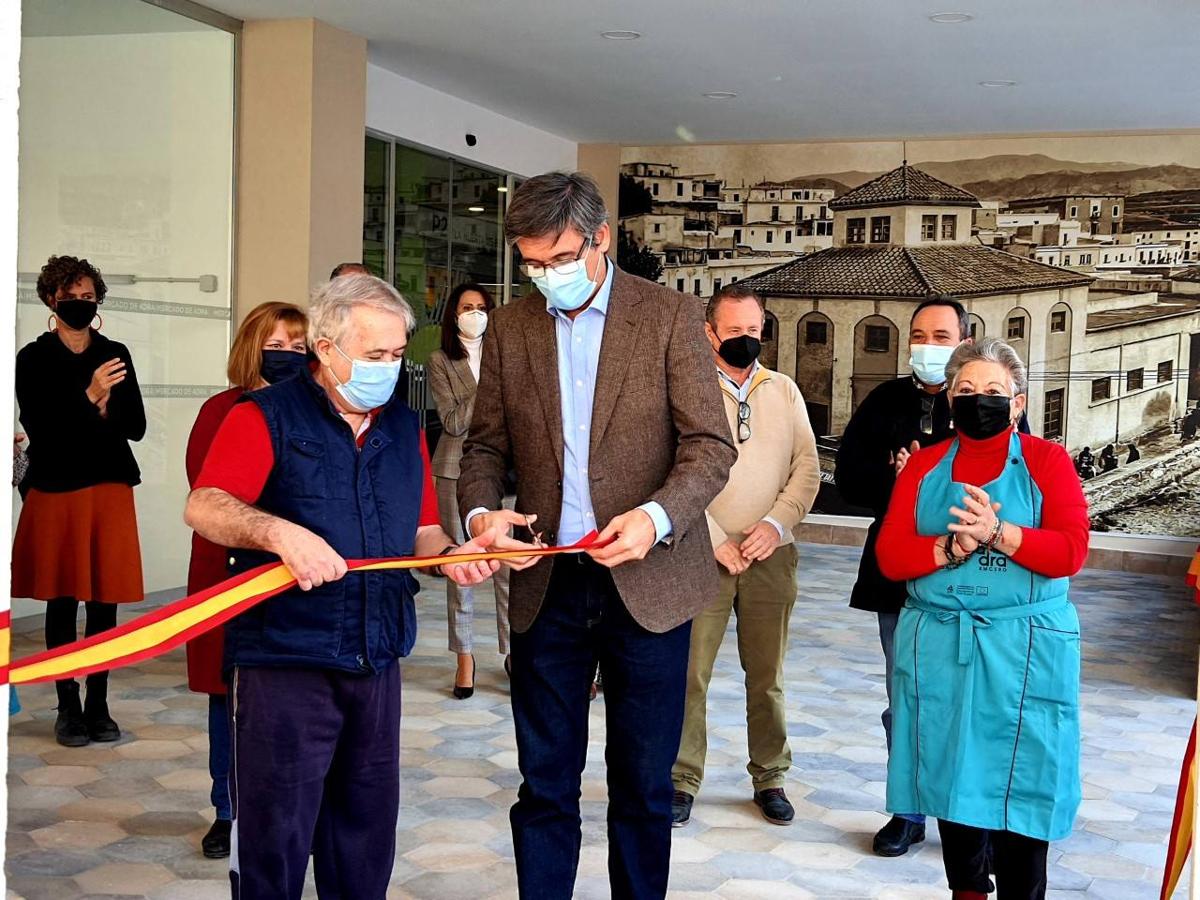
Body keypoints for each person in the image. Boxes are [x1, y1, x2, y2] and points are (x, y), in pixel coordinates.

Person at [458, 171, 736, 899]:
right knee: (544, 783)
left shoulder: (669, 316)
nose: (546, 275)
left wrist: (656, 517)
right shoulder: (512, 328)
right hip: (547, 583)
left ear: (600, 238)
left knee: (642, 786)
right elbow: (484, 448)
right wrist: (482, 517)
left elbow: (710, 447)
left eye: (559, 258)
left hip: (650, 582)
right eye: (532, 264)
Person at [184, 274, 500, 899]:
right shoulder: (263, 415)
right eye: (374, 353)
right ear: (325, 349)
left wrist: (451, 557)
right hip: (285, 660)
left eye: (397, 353)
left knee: (363, 839)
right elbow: (205, 505)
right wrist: (279, 534)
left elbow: (421, 530)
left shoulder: (401, 425)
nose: (389, 367)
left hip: (376, 658)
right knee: (274, 841)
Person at [877, 337, 1089, 900]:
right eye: (966, 389)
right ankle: (966, 891)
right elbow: (891, 556)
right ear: (950, 399)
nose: (979, 399)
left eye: (994, 390)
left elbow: (1070, 551)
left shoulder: (1048, 462)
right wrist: (951, 548)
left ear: (1018, 402)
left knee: (1025, 787)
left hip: (1026, 649)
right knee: (954, 782)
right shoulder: (924, 466)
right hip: (944, 648)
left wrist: (997, 532)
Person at [670, 284, 819, 828]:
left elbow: (807, 466)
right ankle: (681, 779)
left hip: (771, 554)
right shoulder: (684, 389)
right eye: (735, 331)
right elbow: (667, 470)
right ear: (709, 333)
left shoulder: (784, 390)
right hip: (698, 553)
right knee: (690, 674)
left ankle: (771, 777)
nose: (747, 340)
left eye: (754, 331)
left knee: (767, 674)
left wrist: (776, 525)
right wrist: (712, 536)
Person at [834, 297, 967, 856]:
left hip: (969, 578)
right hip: (898, 576)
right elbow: (849, 480)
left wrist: (926, 479)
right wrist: (898, 479)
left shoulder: (984, 401)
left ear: (964, 342)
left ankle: (968, 816)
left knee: (965, 699)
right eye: (918, 335)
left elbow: (1012, 483)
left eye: (941, 336)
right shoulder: (885, 400)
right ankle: (908, 810)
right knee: (905, 693)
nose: (927, 346)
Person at [183, 301, 309, 860]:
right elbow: (206, 492)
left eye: (297, 348)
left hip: (296, 574)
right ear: (251, 348)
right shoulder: (221, 410)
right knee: (227, 696)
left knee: (292, 697)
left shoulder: (314, 411)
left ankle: (291, 810)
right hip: (227, 571)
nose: (286, 356)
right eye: (275, 346)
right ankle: (226, 809)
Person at [13, 255, 145, 747]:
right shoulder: (34, 358)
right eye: (70, 297)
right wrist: (91, 397)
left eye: (88, 297)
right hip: (56, 488)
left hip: (109, 484)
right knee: (63, 599)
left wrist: (106, 410)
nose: (80, 304)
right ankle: (67, 705)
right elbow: (43, 430)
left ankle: (99, 703)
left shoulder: (115, 352)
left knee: (104, 601)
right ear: (51, 299)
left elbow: (135, 425)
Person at [428, 282, 512, 698]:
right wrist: (491, 384)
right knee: (460, 565)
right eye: (466, 307)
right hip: (453, 469)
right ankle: (464, 657)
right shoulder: (440, 360)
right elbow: (453, 421)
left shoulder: (506, 353)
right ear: (454, 314)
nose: (475, 314)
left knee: (509, 566)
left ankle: (513, 652)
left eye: (481, 307)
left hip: (503, 472)